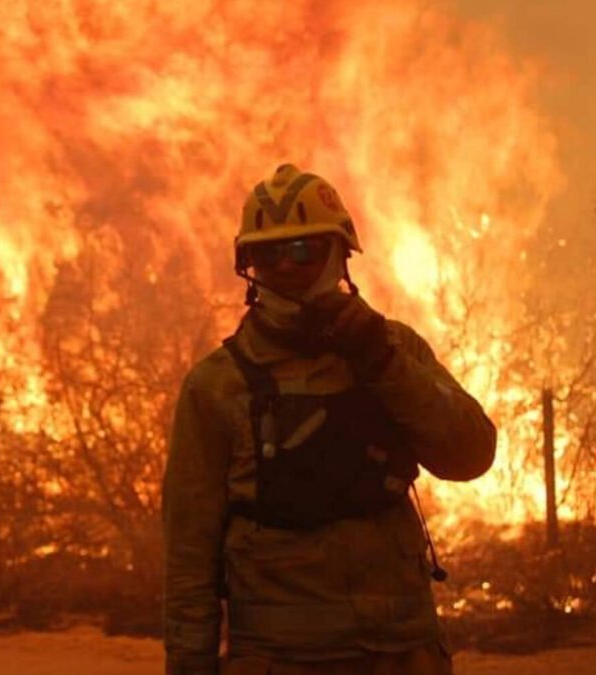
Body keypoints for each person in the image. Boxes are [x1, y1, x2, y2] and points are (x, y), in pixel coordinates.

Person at [162, 164, 497, 675]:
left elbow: (470, 454)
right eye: (269, 255)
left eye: (303, 250)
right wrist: (190, 664)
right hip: (281, 660)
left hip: (403, 652)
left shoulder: (394, 351)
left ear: (341, 252)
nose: (288, 268)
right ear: (247, 264)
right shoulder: (216, 386)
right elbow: (190, 557)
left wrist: (382, 363)